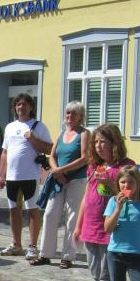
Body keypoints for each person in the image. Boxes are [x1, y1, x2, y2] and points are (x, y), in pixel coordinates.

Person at [72, 124, 135, 281]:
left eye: (103, 142)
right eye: (96, 142)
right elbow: (86, 197)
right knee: (96, 275)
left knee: (109, 277)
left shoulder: (126, 167)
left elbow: (129, 196)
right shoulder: (94, 166)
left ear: (114, 143)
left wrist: (110, 183)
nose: (98, 146)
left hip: (111, 229)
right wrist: (78, 225)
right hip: (91, 227)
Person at [30, 101, 90, 268]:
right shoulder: (62, 133)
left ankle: (68, 256)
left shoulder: (84, 134)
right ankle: (45, 254)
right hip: (58, 180)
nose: (69, 116)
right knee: (50, 214)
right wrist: (56, 171)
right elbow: (52, 155)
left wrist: (61, 170)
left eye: (73, 113)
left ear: (81, 116)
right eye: (68, 112)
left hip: (76, 180)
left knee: (72, 217)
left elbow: (85, 158)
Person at [0, 93, 53, 260]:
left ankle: (33, 246)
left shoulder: (39, 126)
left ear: (31, 107)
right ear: (15, 107)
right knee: (14, 210)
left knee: (32, 210)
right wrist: (1, 175)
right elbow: (5, 153)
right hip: (12, 177)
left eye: (24, 104)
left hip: (30, 175)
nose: (21, 107)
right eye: (18, 104)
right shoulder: (9, 127)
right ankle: (16, 244)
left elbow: (50, 149)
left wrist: (33, 139)